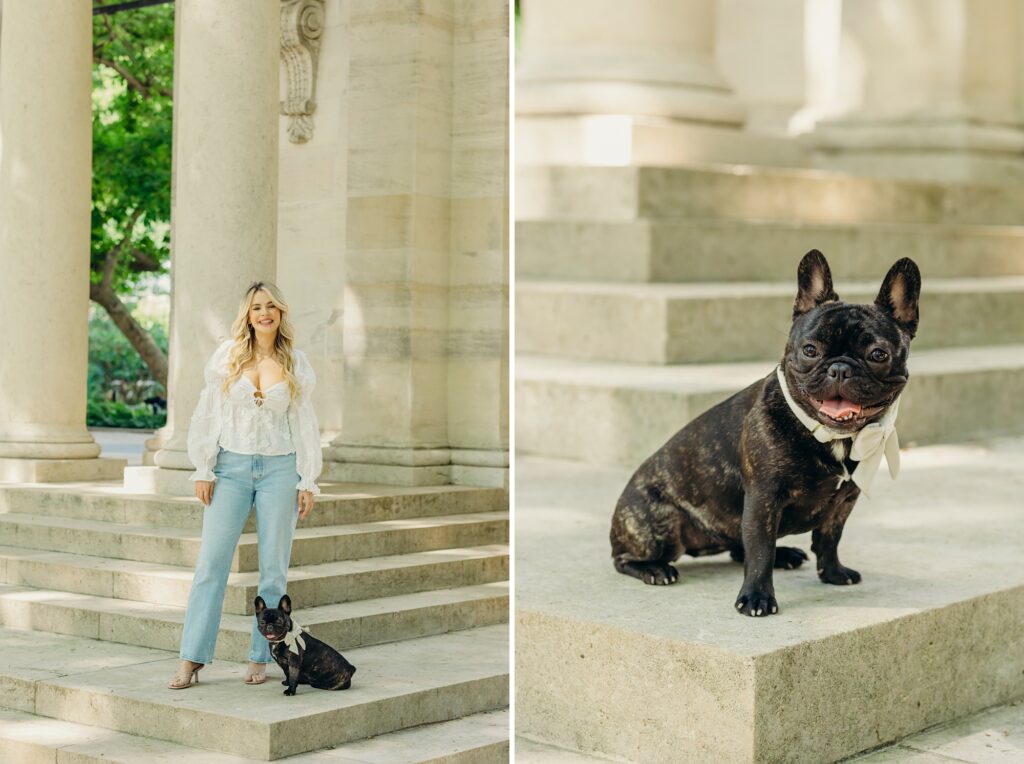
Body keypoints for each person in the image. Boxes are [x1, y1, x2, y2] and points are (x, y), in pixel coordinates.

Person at [167, 281, 322, 689]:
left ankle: (262, 654)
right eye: (256, 307)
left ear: (280, 313)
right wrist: (204, 468)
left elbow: (303, 422)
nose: (264, 313)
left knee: (273, 572)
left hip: (280, 469)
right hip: (230, 468)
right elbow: (208, 412)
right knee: (210, 566)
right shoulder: (228, 357)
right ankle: (191, 658)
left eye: (270, 306)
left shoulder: (296, 362)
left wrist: (308, 478)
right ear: (248, 315)